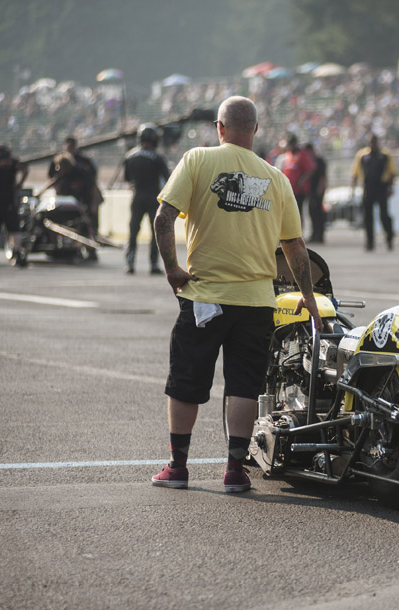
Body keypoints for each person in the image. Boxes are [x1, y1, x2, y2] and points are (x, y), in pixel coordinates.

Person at [150, 96, 322, 493]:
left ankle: (177, 467)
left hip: (204, 297)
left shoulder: (197, 159)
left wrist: (172, 268)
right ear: (256, 130)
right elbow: (295, 247)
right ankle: (234, 470)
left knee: (186, 381)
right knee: (244, 385)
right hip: (257, 301)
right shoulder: (276, 178)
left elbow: (163, 217)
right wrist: (309, 296)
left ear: (220, 127)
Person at [123, 125, 171, 275]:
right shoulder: (157, 157)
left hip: (137, 197)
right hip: (153, 197)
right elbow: (168, 179)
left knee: (133, 231)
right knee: (155, 232)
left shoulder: (130, 156)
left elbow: (127, 178)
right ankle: (154, 264)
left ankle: (130, 263)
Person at [47, 137, 100, 237]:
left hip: (81, 203)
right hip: (64, 203)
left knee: (86, 224)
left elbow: (92, 185)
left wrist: (94, 204)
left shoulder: (82, 170)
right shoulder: (60, 173)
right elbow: (52, 180)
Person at [351, 134, 396, 251]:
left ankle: (389, 237)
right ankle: (370, 241)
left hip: (381, 188)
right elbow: (355, 173)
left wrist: (390, 187)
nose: (372, 145)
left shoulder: (385, 155)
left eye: (374, 142)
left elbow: (392, 172)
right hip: (368, 188)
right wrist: (353, 189)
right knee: (368, 217)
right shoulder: (362, 155)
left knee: (384, 215)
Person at [274, 133, 315, 217]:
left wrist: (302, 180)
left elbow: (310, 169)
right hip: (289, 189)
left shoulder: (302, 154)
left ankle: (300, 225)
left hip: (299, 190)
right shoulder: (287, 154)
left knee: (298, 211)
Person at [303, 142, 327, 244]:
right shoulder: (310, 161)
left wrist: (319, 190)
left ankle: (319, 235)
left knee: (317, 213)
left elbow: (322, 177)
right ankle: (315, 234)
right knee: (312, 212)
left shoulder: (319, 161)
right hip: (311, 191)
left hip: (317, 191)